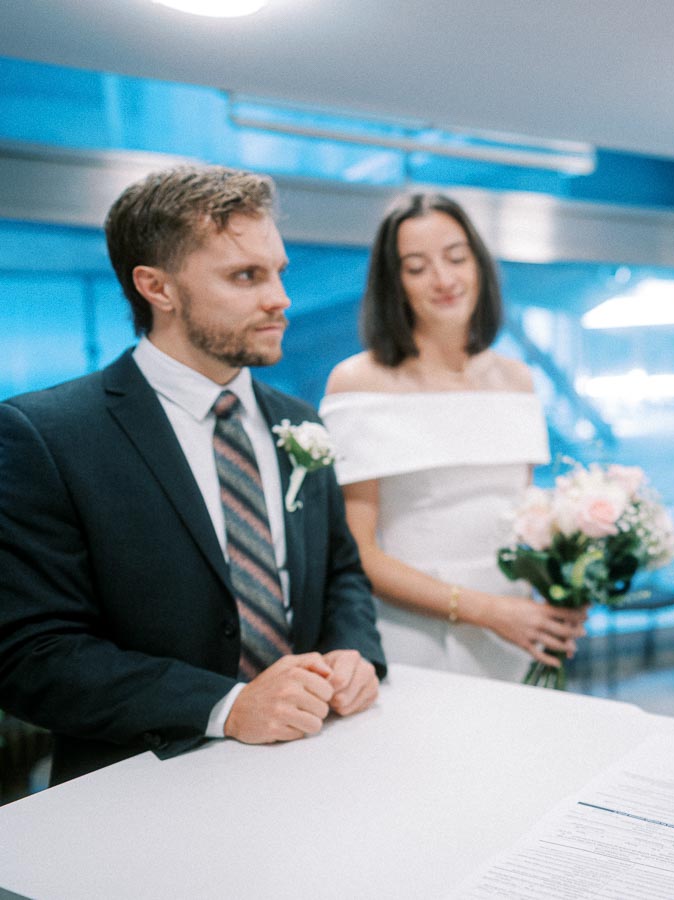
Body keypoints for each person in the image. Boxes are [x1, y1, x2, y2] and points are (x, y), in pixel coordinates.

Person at [0, 165, 385, 785]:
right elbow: (32, 657)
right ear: (158, 288)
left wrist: (355, 654)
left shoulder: (299, 420)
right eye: (245, 276)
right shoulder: (47, 435)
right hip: (143, 784)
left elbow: (341, 570)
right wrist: (227, 706)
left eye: (278, 271)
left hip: (315, 762)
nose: (280, 298)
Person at [321, 193, 586, 680]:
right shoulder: (358, 382)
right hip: (415, 633)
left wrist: (567, 586)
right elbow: (355, 551)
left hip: (517, 628)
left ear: (479, 265)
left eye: (456, 258)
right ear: (394, 283)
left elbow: (526, 523)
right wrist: (485, 610)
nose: (444, 280)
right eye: (417, 267)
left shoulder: (517, 380)